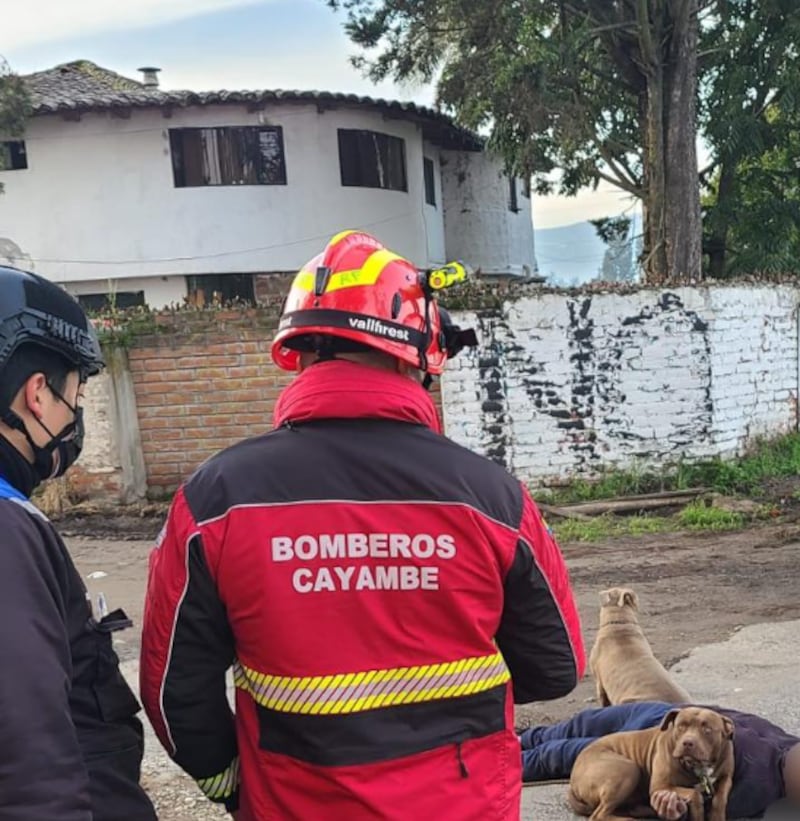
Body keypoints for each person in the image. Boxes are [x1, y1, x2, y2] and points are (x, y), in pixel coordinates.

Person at [140, 230, 585, 820]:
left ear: (300, 353)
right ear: (421, 356)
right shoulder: (493, 499)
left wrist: (233, 787)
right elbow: (556, 667)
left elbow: (174, 694)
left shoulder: (215, 500)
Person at [0, 265, 156, 819]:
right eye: (75, 396)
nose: (76, 418)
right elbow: (28, 759)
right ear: (36, 394)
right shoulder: (7, 532)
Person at [519, 701, 800, 818]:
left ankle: (496, 763)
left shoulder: (760, 789)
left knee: (558, 756)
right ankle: (517, 738)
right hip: (668, 716)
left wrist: (672, 810)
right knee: (578, 724)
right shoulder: (787, 743)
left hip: (660, 753)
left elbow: (696, 805)